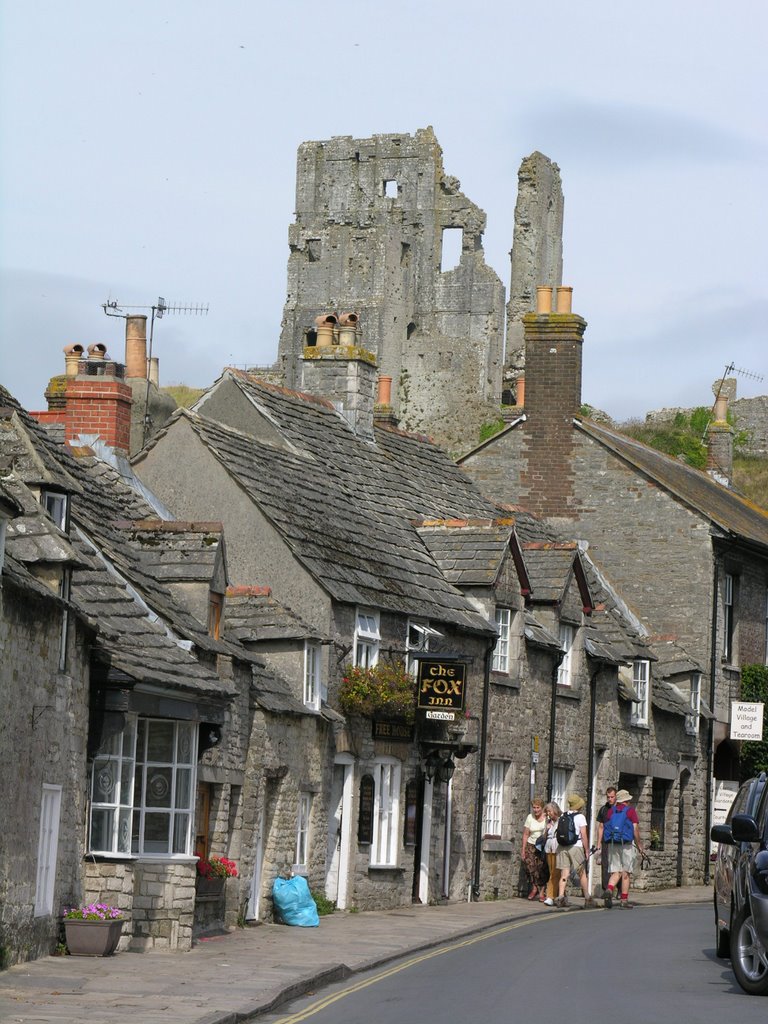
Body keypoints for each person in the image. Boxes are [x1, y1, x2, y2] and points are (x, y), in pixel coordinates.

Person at [602, 788, 645, 909]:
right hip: (625, 844)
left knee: (616, 871)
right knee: (626, 872)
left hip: (612, 843)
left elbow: (605, 826)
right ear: (626, 801)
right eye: (629, 800)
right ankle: (624, 900)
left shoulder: (611, 811)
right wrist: (639, 844)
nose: (630, 802)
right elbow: (635, 829)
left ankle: (609, 889)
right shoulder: (630, 812)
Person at [555, 793, 598, 910]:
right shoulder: (580, 817)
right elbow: (583, 835)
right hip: (576, 846)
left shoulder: (563, 816)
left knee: (564, 874)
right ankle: (588, 898)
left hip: (562, 847)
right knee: (582, 873)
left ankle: (560, 897)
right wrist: (587, 850)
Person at [521, 797, 548, 901]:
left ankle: (542, 892)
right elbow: (525, 834)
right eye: (534, 807)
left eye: (538, 808)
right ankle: (534, 887)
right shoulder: (530, 817)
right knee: (530, 866)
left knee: (542, 868)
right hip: (531, 844)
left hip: (542, 846)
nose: (536, 810)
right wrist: (523, 850)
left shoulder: (546, 818)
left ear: (542, 808)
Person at [595, 785, 617, 895]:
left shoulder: (619, 809)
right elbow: (601, 827)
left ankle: (619, 889)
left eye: (612, 797)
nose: (610, 799)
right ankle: (606, 890)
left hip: (617, 841)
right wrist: (598, 843)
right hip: (606, 841)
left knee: (617, 865)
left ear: (616, 796)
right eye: (608, 797)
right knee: (605, 865)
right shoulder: (603, 809)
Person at [542, 802, 561, 906]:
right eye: (547, 811)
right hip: (549, 849)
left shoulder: (561, 820)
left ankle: (550, 896)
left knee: (555, 873)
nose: (548, 813)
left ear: (555, 810)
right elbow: (544, 837)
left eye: (549, 811)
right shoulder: (549, 822)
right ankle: (561, 896)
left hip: (558, 849)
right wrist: (547, 829)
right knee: (553, 873)